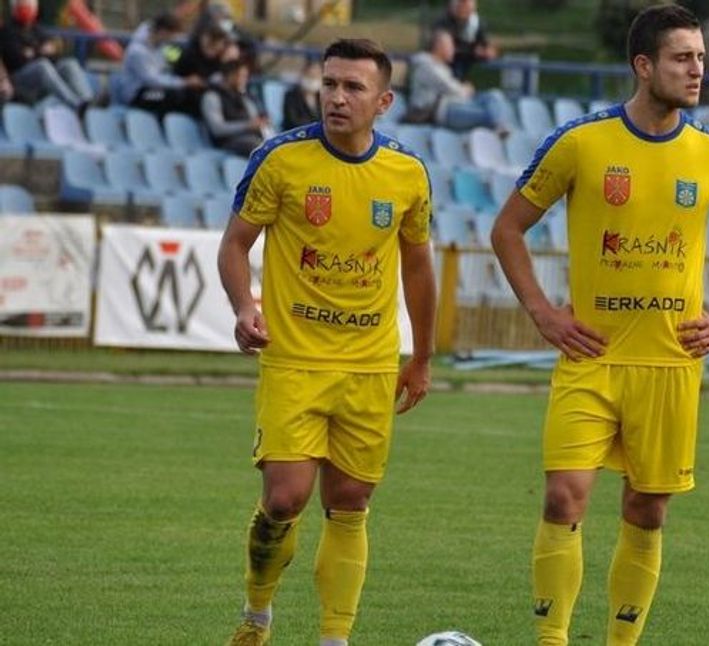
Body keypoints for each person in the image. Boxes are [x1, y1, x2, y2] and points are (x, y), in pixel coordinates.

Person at [491, 6, 709, 644]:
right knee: (564, 498)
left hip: (670, 365)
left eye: (701, 57)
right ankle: (553, 639)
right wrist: (542, 310)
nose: (697, 69)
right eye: (682, 58)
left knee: (646, 511)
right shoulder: (581, 143)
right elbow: (506, 228)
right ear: (643, 66)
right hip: (591, 357)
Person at [217, 38, 436, 646]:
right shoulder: (281, 159)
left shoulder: (407, 173)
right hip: (294, 359)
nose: (337, 97)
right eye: (330, 84)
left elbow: (418, 268)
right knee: (285, 497)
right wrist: (244, 306)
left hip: (369, 366)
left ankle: (334, 638)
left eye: (354, 87)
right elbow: (236, 243)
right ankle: (257, 615)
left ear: (383, 100)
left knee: (350, 500)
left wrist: (421, 358)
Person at [0, 0, 96, 111]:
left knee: (69, 63)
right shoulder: (7, 31)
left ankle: (88, 103)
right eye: (24, 5)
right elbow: (17, 59)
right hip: (19, 77)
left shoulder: (36, 30)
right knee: (42, 65)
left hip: (41, 71)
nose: (27, 9)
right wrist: (40, 52)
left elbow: (54, 54)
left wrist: (33, 52)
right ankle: (75, 103)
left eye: (30, 6)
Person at [407, 29, 511, 131]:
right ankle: (500, 127)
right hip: (442, 112)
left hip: (456, 103)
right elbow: (451, 89)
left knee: (494, 95)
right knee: (490, 116)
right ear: (439, 46)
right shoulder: (426, 66)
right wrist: (466, 89)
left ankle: (501, 126)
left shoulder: (440, 66)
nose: (454, 49)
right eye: (451, 45)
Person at [117, 12, 206, 116]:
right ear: (163, 32)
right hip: (137, 94)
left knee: (187, 95)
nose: (172, 39)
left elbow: (167, 67)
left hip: (154, 89)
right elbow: (152, 80)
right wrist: (184, 82)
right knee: (171, 96)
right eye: (171, 35)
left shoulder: (161, 46)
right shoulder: (137, 52)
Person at [201, 59, 270, 157]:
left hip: (251, 138)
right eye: (241, 76)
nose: (244, 80)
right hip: (227, 142)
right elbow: (217, 129)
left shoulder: (244, 97)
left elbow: (254, 118)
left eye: (245, 76)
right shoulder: (212, 96)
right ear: (229, 76)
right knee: (258, 147)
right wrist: (246, 125)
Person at [431, 0, 498, 81]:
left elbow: (487, 46)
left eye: (467, 5)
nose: (463, 8)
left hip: (464, 68)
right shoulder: (443, 22)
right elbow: (445, 50)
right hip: (442, 67)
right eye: (461, 4)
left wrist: (487, 52)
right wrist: (473, 51)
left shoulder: (476, 22)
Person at [282, 60, 322, 130]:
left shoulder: (321, 96)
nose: (313, 79)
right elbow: (293, 121)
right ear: (303, 74)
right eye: (310, 75)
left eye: (316, 76)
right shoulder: (291, 96)